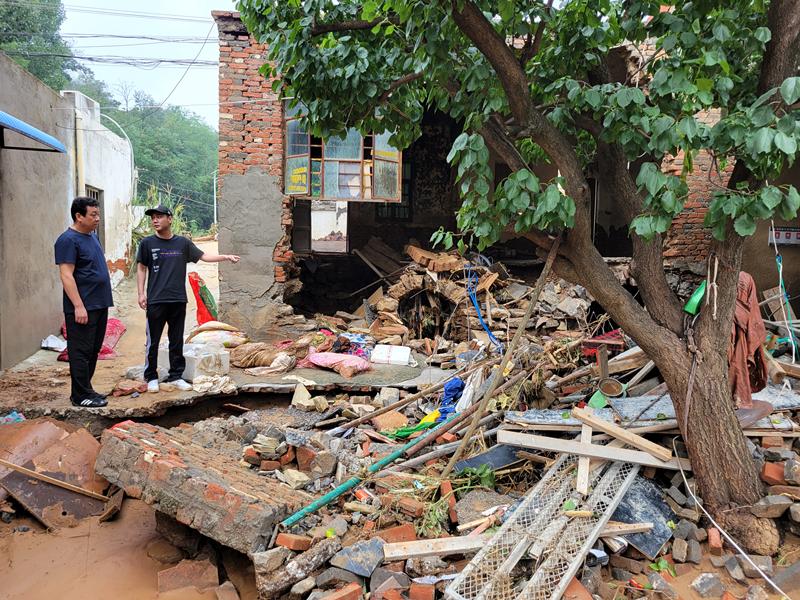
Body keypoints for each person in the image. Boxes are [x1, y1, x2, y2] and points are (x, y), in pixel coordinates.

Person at [136, 204, 240, 393]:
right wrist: (141, 293)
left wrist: (225, 256)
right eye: (153, 218)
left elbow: (203, 256)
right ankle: (151, 376)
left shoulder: (182, 243)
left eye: (159, 216)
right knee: (153, 340)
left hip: (177, 299)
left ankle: (176, 375)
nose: (155, 220)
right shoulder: (147, 244)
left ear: (170, 219)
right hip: (156, 300)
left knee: (177, 340)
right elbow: (141, 268)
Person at [55, 196, 113, 408]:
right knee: (80, 351)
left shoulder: (92, 236)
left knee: (93, 349)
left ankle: (85, 389)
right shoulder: (67, 240)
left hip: (99, 303)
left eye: (98, 214)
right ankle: (80, 395)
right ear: (79, 216)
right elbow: (66, 275)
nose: (98, 218)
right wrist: (78, 306)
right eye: (93, 215)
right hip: (83, 306)